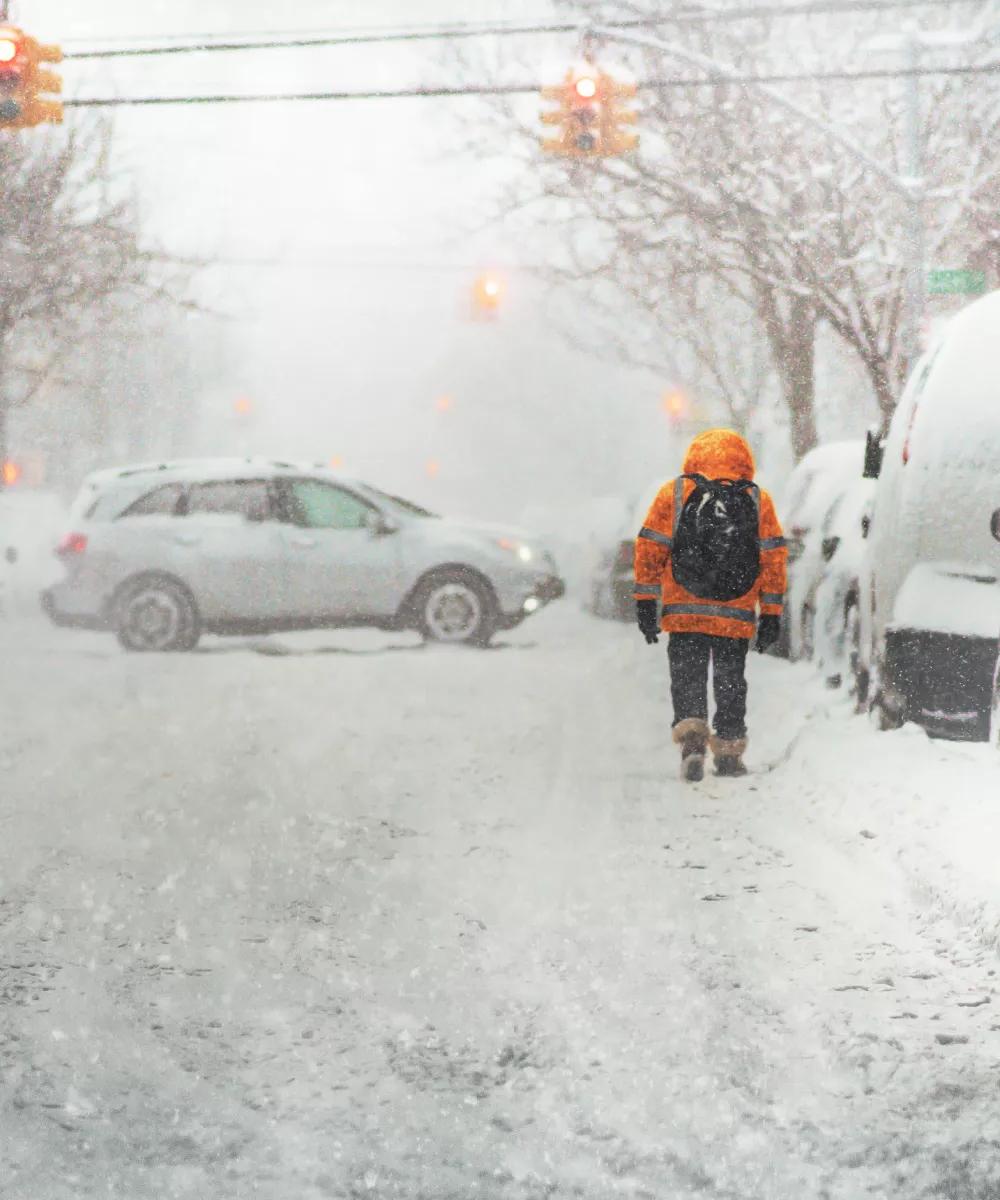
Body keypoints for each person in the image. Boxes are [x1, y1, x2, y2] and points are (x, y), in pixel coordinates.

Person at [633, 429, 787, 780]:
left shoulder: (675, 493)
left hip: (685, 611)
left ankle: (691, 741)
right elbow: (774, 558)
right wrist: (772, 613)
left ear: (694, 457)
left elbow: (649, 547)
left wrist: (646, 601)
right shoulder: (756, 500)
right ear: (744, 461)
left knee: (687, 675)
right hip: (735, 614)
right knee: (730, 680)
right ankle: (730, 749)